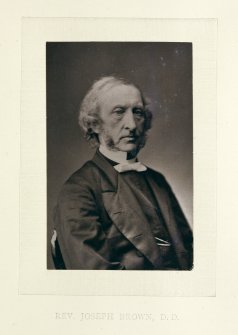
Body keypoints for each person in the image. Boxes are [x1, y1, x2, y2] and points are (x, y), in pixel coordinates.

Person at [51, 76, 193, 270]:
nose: (132, 125)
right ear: (95, 123)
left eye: (138, 113)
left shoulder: (158, 181)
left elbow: (190, 252)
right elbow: (96, 279)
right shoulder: (78, 190)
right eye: (119, 112)